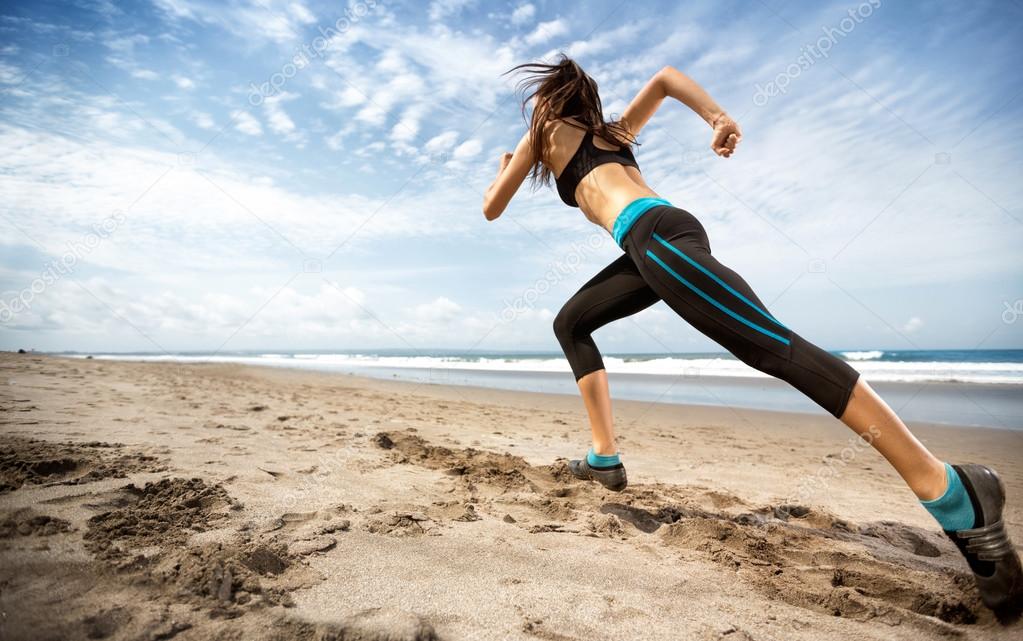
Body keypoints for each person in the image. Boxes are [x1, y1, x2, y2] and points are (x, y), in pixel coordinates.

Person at [482, 54, 1021, 621]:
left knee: (773, 347)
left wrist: (504, 167)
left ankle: (952, 491)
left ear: (546, 102)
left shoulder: (540, 134)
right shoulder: (611, 132)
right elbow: (665, 79)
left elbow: (493, 208)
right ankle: (603, 458)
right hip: (658, 238)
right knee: (571, 322)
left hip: (653, 238)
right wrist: (716, 118)